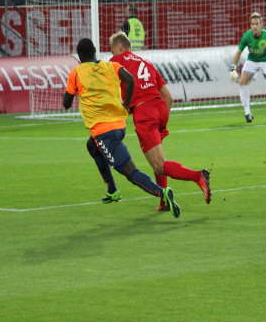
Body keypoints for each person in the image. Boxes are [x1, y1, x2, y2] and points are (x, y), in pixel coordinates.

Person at [63, 38, 181, 218]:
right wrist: (126, 103)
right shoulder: (111, 66)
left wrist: (78, 93)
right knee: (92, 146)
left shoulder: (76, 73)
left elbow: (66, 103)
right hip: (119, 125)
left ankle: (162, 192)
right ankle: (112, 190)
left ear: (79, 57)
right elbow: (130, 79)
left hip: (104, 132)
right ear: (95, 52)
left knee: (130, 172)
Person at [109, 31, 212, 211]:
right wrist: (163, 121)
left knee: (159, 165)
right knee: (158, 160)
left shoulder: (116, 62)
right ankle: (164, 202)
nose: (112, 54)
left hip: (144, 113)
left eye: (112, 50)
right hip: (159, 108)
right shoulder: (146, 63)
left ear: (119, 47)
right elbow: (168, 97)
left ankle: (198, 176)